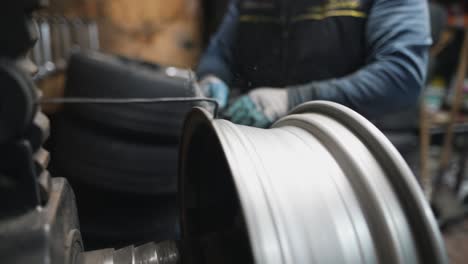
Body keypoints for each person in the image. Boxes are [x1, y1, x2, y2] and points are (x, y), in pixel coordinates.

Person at [197, 0, 431, 128]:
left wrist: (290, 100)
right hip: (262, 151)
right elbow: (220, 52)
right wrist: (212, 77)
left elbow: (400, 77)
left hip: (357, 153)